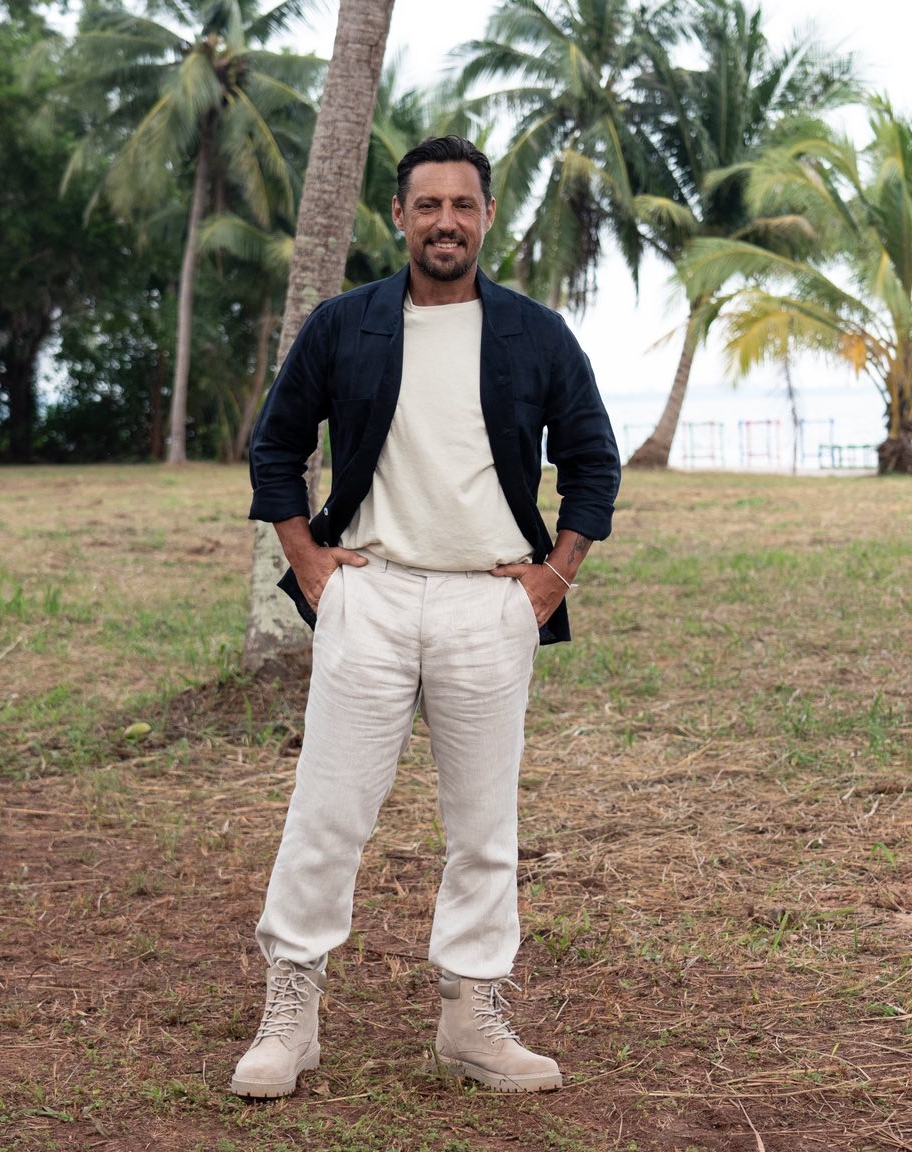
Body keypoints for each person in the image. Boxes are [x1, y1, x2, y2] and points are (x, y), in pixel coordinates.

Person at [233, 135, 621, 1097]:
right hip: (369, 593)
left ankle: (470, 1018)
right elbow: (276, 446)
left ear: (486, 217)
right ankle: (291, 1016)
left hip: (490, 604)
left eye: (463, 205)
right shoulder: (345, 324)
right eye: (428, 205)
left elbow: (593, 460)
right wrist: (310, 566)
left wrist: (552, 580)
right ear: (400, 217)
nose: (446, 222)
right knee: (327, 814)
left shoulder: (535, 334)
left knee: (484, 827)